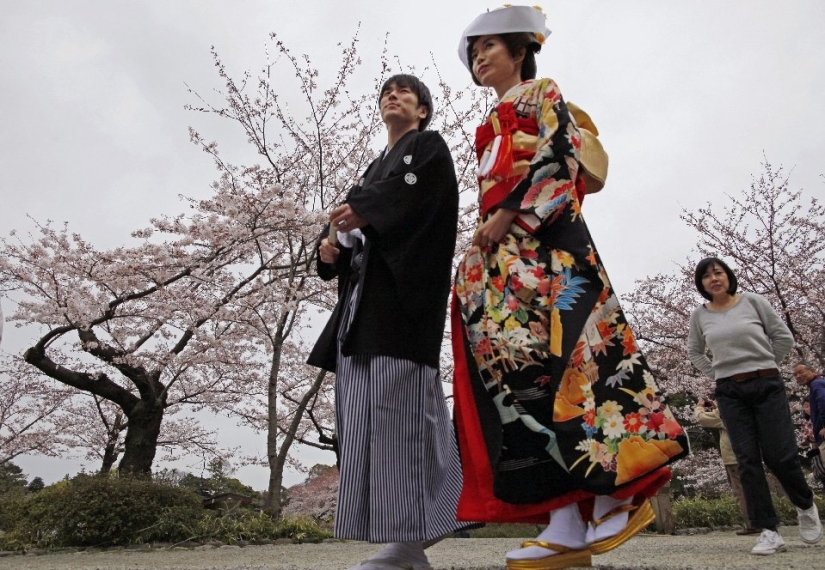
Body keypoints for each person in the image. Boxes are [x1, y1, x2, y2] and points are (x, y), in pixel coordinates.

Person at [450, 6, 689, 569]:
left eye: (490, 46)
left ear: (519, 50)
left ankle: (618, 490)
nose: (480, 57)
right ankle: (561, 520)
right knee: (523, 385)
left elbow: (560, 159)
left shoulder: (542, 93)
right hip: (505, 264)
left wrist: (510, 213)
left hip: (547, 247)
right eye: (474, 51)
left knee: (576, 360)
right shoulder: (488, 125)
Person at [307, 74, 461, 570]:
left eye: (405, 93)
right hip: (362, 310)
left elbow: (415, 200)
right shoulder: (374, 170)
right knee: (365, 417)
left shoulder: (428, 150)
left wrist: (368, 211)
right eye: (386, 93)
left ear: (422, 111)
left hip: (401, 308)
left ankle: (414, 538)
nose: (393, 97)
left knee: (404, 411)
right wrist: (331, 250)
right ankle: (401, 537)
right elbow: (352, 232)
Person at [687, 257, 822, 556]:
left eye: (718, 273)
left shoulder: (753, 302)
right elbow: (695, 352)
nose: (714, 279)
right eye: (706, 276)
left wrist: (765, 363)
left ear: (728, 276)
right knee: (746, 460)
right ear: (701, 284)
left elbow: (783, 337)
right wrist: (717, 374)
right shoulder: (700, 315)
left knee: (780, 455)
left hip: (767, 385)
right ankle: (769, 530)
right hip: (730, 392)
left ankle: (804, 504)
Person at [694, 397, 760, 535]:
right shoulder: (745, 410)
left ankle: (752, 523)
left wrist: (699, 407)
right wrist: (716, 408)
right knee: (754, 488)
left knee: (740, 491)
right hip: (750, 455)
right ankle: (763, 520)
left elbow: (701, 418)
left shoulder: (725, 414)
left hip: (733, 458)